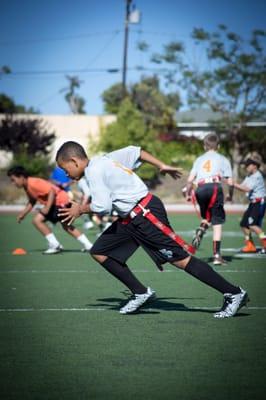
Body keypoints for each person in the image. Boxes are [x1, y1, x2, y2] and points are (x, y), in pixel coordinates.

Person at [56, 141, 248, 318]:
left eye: (65, 169)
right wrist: (160, 165)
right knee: (100, 251)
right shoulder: (104, 159)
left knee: (180, 260)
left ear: (74, 161)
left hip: (146, 214)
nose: (66, 174)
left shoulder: (93, 171)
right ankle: (140, 293)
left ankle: (233, 293)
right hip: (130, 217)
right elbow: (136, 151)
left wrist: (79, 209)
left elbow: (102, 207)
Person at [7, 166, 93, 254]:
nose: (13, 183)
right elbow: (32, 201)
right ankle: (88, 245)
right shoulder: (27, 186)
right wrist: (23, 214)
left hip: (60, 201)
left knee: (38, 220)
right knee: (66, 226)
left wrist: (47, 208)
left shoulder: (33, 182)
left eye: (13, 180)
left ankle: (55, 245)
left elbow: (51, 191)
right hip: (59, 201)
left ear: (21, 177)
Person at [185, 133, 234, 265]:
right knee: (217, 222)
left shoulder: (199, 159)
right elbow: (230, 181)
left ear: (204, 146)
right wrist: (230, 195)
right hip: (214, 187)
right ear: (218, 146)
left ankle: (201, 229)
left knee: (207, 217)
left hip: (200, 188)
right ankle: (217, 256)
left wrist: (188, 193)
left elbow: (190, 180)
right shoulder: (223, 159)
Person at [233, 153, 266, 254]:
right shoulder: (250, 176)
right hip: (253, 203)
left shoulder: (257, 176)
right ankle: (250, 245)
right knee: (244, 224)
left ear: (255, 166)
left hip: (259, 202)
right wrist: (232, 183)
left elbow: (246, 188)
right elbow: (242, 185)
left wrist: (233, 184)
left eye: (248, 165)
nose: (246, 167)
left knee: (253, 225)